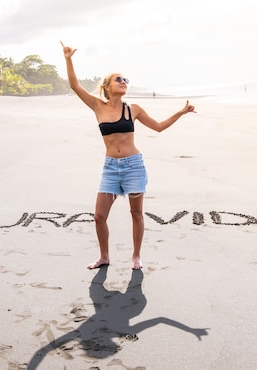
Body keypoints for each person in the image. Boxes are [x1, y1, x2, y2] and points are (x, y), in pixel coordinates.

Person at [60, 41, 196, 270]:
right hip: (110, 167)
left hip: (133, 166)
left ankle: (136, 256)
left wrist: (181, 113)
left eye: (126, 80)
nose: (124, 83)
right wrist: (68, 59)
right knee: (99, 216)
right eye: (119, 79)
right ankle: (104, 256)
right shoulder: (97, 106)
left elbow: (159, 126)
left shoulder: (133, 109)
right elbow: (74, 85)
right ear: (107, 85)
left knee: (136, 214)